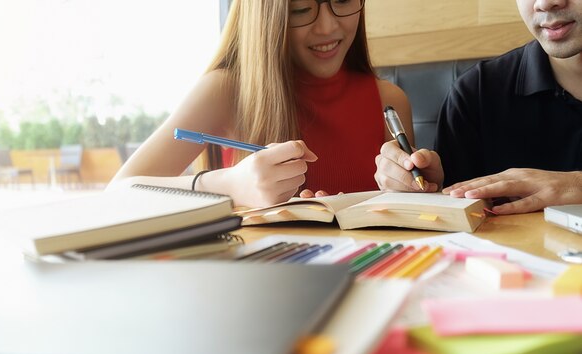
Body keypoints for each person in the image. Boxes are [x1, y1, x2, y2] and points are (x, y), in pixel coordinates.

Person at [109, 0, 412, 208]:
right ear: (266, 17)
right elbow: (118, 195)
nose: (327, 27)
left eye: (344, 0)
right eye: (301, 9)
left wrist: (417, 186)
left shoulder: (389, 101)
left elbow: (411, 207)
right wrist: (228, 185)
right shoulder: (225, 90)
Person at [374, 0, 582, 214]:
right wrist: (428, 187)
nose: (545, 3)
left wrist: (575, 185)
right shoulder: (476, 92)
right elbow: (453, 219)